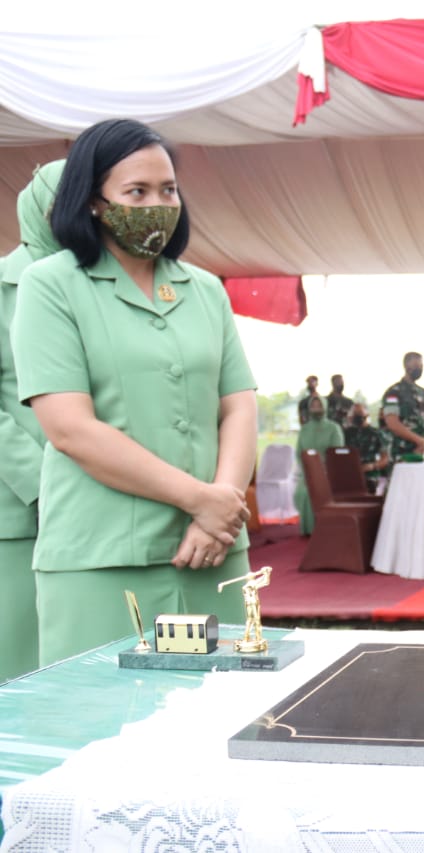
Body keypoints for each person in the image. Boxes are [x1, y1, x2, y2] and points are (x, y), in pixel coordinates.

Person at [12, 119, 257, 665]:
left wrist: (223, 506)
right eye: (136, 192)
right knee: (97, 729)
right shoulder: (51, 285)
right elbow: (69, 428)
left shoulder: (205, 289)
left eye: (168, 190)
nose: (158, 204)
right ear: (94, 201)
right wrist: (202, 501)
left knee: (213, 719)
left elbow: (238, 405)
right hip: (102, 559)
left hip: (211, 553)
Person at [0, 159, 63, 681]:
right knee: (18, 654)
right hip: (18, 512)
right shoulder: (1, 287)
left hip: (98, 501)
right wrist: (42, 485)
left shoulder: (104, 287)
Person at [294, 395, 345, 534]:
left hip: (327, 472)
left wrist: (321, 470)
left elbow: (336, 453)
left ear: (325, 407)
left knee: (316, 490)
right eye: (313, 406)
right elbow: (299, 453)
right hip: (307, 472)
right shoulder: (304, 429)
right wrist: (308, 469)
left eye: (319, 406)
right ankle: (308, 529)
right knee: (302, 492)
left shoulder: (333, 428)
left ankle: (322, 528)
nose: (316, 409)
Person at [379, 351, 424, 464]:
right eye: (415, 366)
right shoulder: (394, 392)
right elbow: (392, 422)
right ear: (406, 366)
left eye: (421, 366)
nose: (419, 369)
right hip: (402, 452)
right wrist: (419, 441)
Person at [344, 402, 390, 493]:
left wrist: (372, 466)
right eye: (355, 414)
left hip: (370, 477)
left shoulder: (376, 434)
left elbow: (385, 458)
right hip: (348, 476)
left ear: (367, 415)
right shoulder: (345, 434)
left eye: (360, 414)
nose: (357, 417)